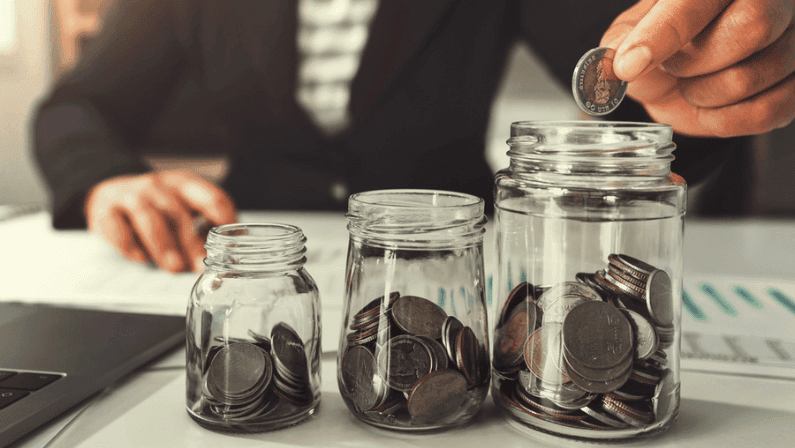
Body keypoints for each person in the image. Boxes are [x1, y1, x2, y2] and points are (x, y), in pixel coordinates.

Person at [34, 0, 795, 273]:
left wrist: (698, 80)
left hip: (456, 249)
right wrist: (105, 180)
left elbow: (636, 83)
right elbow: (77, 105)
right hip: (258, 237)